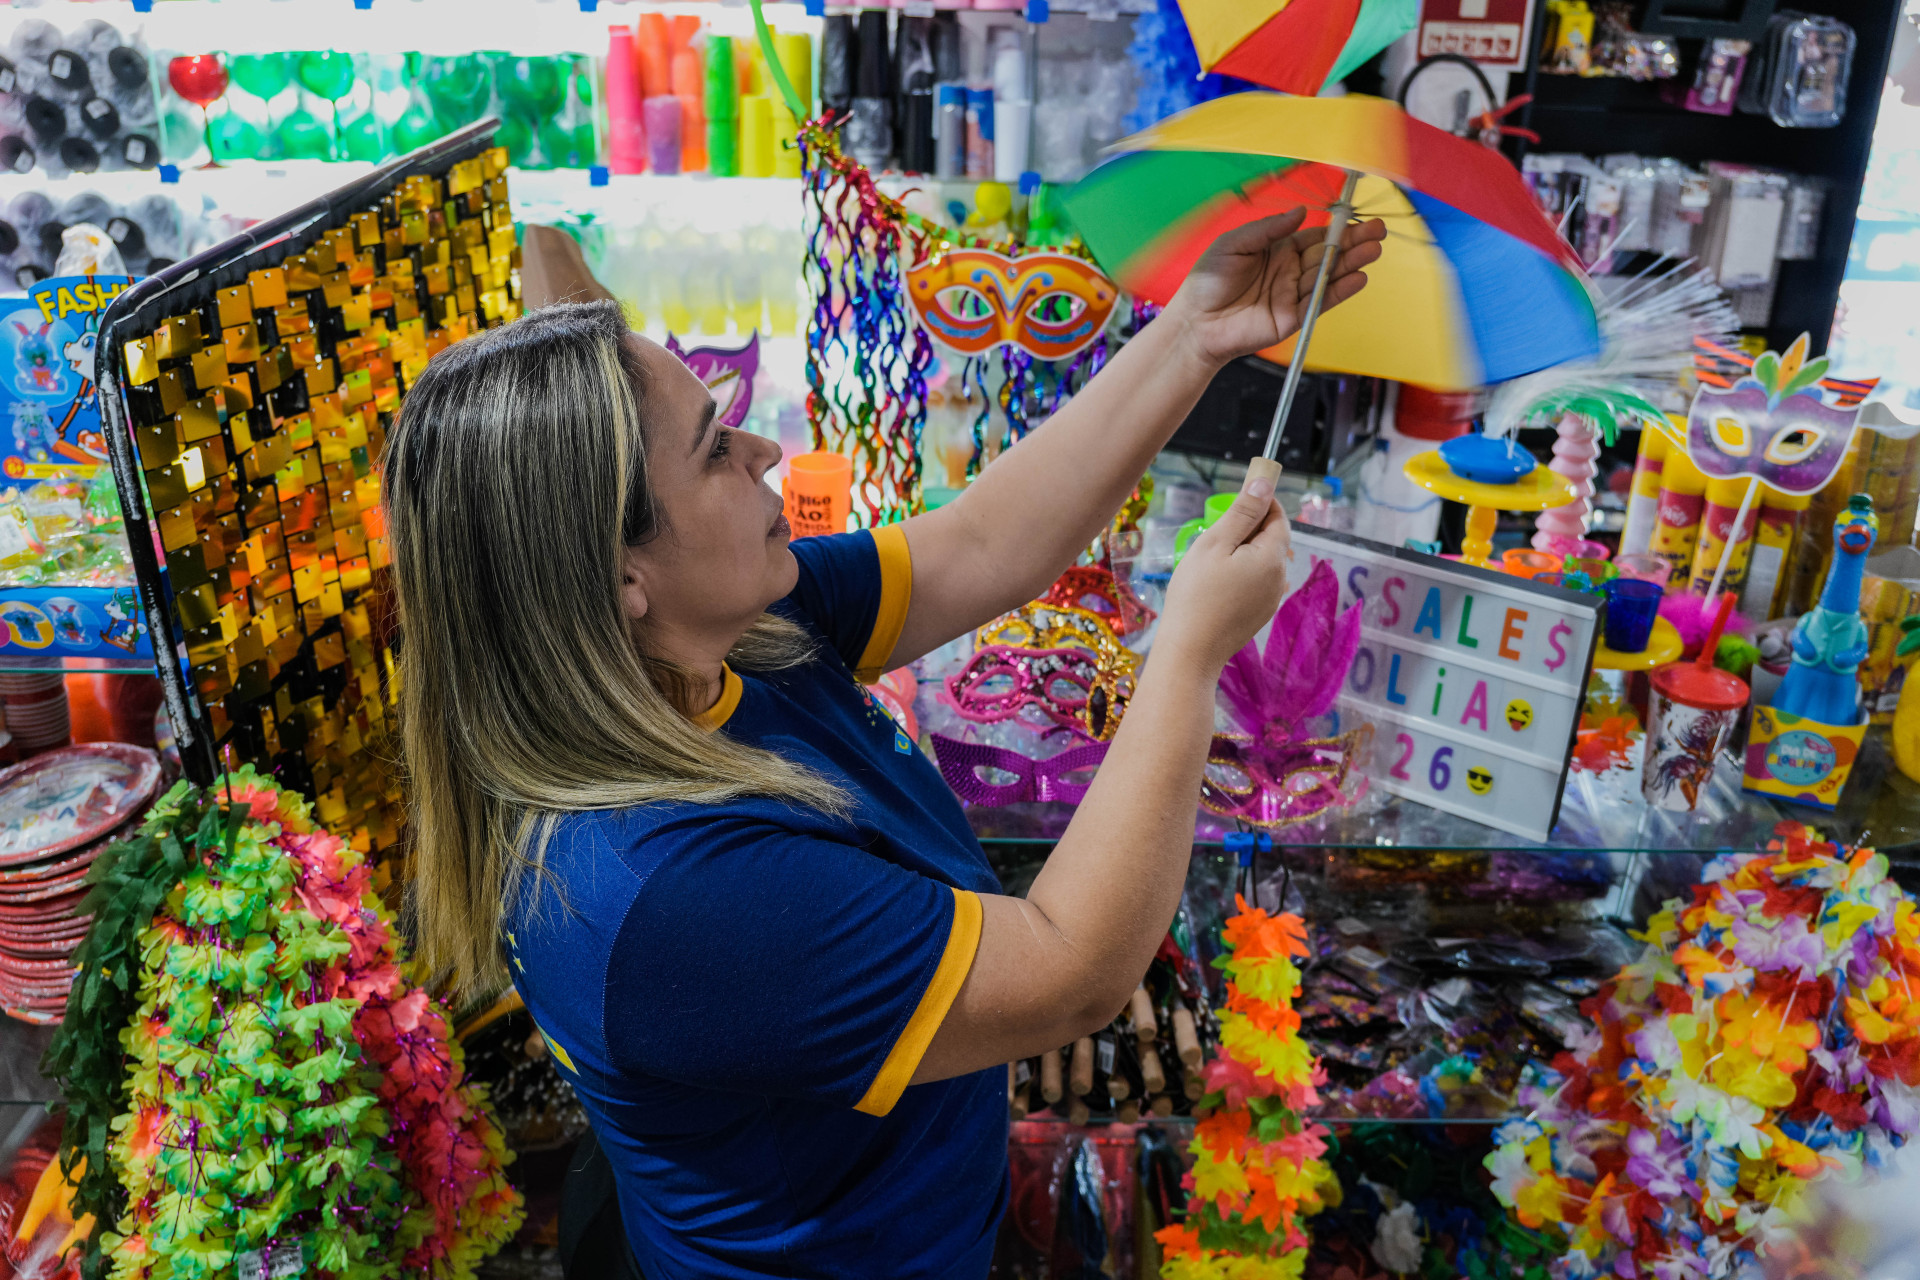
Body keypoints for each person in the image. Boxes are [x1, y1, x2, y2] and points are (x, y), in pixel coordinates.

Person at [386, 208, 1385, 1280]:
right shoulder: (665, 890)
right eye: (715, 446)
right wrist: (1187, 653)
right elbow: (1073, 968)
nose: (764, 448)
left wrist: (1194, 331)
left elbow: (983, 541)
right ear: (623, 577)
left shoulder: (733, 641)